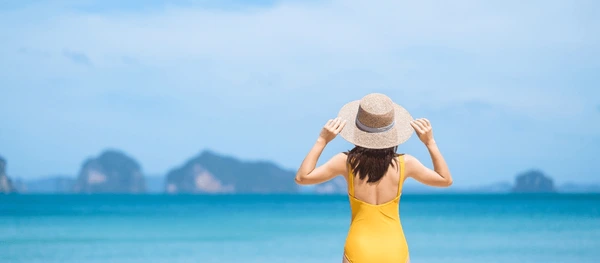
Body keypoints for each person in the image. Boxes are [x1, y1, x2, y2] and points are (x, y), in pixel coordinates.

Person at [295, 93, 453, 263]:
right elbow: (445, 179)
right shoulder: (405, 163)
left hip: (359, 247)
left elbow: (302, 177)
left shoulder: (347, 162)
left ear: (358, 131)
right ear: (392, 132)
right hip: (394, 247)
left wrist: (322, 140)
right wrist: (430, 142)